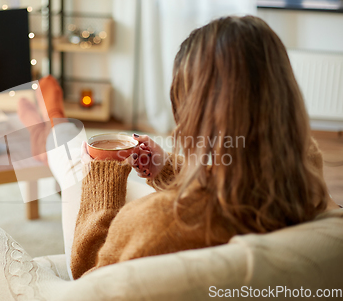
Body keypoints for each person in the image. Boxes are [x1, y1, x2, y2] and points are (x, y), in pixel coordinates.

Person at [17, 15, 341, 281]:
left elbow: (89, 274)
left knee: (77, 164)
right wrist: (166, 169)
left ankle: (52, 129)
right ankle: (52, 136)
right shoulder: (305, 168)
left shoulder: (160, 224)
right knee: (96, 169)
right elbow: (234, 178)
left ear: (195, 109)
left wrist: (102, 174)